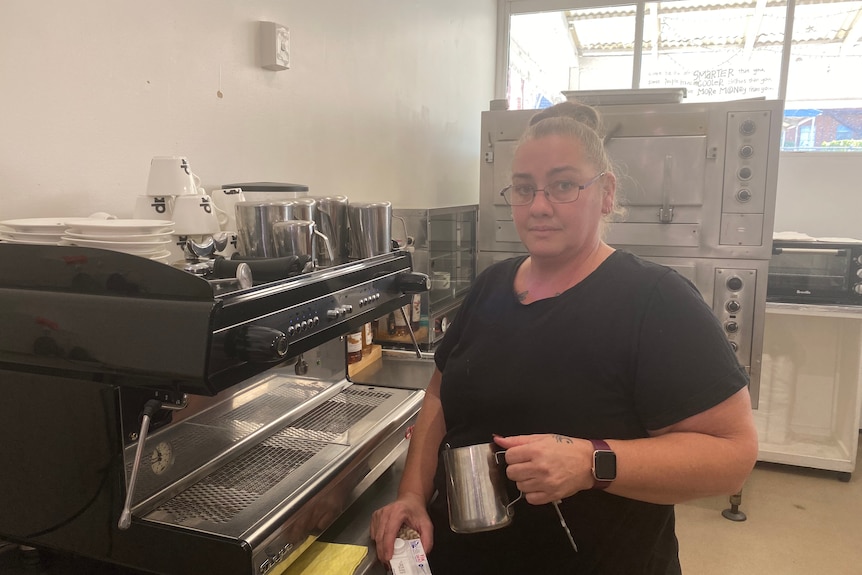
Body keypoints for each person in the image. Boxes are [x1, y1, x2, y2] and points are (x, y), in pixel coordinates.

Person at [370, 100, 759, 574]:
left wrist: (590, 463)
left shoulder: (655, 300)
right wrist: (412, 493)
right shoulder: (493, 285)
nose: (539, 206)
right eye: (523, 188)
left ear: (607, 192)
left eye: (563, 186)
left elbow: (732, 455)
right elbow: (439, 395)